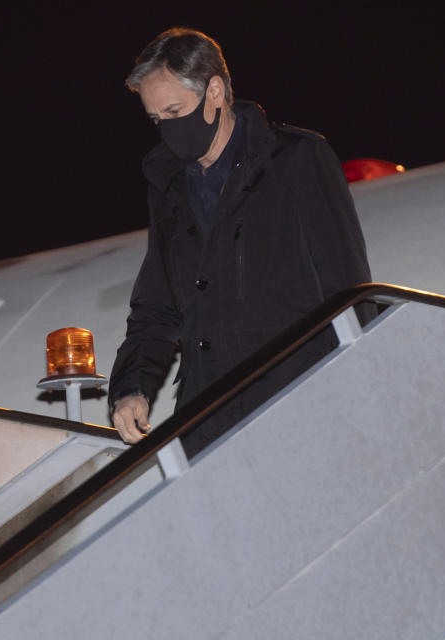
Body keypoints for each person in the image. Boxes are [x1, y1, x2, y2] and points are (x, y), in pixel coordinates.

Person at [109, 27, 372, 455]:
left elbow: (349, 292)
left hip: (298, 407)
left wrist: (356, 398)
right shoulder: (167, 184)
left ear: (215, 91)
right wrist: (132, 388)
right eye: (156, 120)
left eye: (174, 111)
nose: (168, 130)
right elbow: (156, 305)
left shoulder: (297, 160)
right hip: (206, 418)